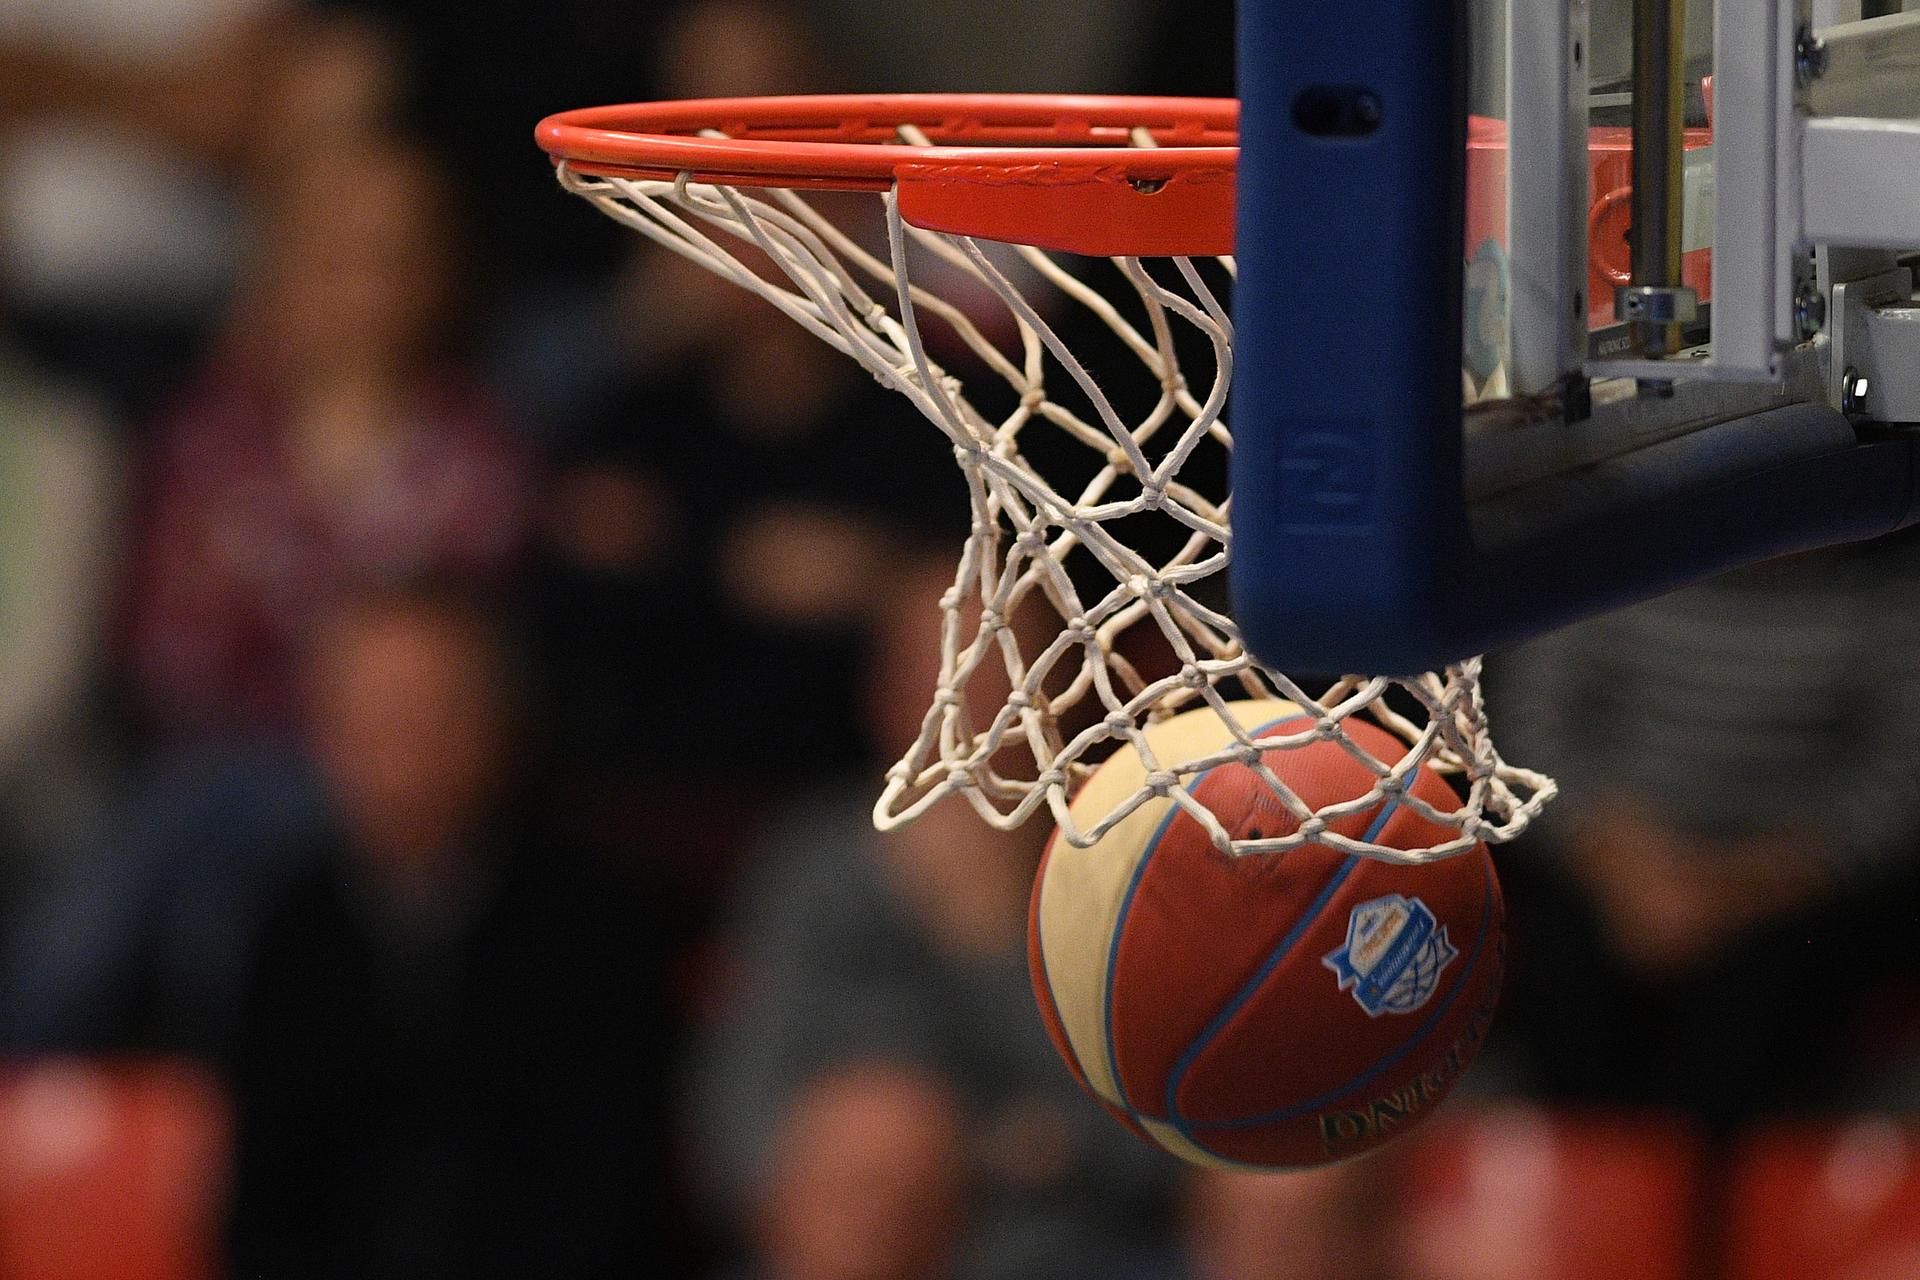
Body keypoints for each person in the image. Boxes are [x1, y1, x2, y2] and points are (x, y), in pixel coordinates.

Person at [685, 554, 1175, 1280]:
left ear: (1060, 697)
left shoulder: (1113, 872)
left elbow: (1151, 1146)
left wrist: (990, 945)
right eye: (943, 671)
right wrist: (910, 1157)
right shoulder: (815, 867)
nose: (973, 706)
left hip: (1057, 1250)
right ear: (884, 691)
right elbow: (737, 1120)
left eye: (1004, 671)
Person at [222, 581, 686, 1279]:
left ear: (502, 725)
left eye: (433, 710)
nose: (404, 747)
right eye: (374, 713)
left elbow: (606, 1196)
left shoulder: (598, 922)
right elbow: (263, 1207)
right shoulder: (287, 930)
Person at [122, 134, 532, 746]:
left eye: (393, 258)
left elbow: (470, 675)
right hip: (226, 759)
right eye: (335, 258)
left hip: (411, 771)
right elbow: (167, 653)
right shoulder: (204, 439)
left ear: (444, 272)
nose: (366, 292)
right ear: (277, 265)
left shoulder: (484, 449)